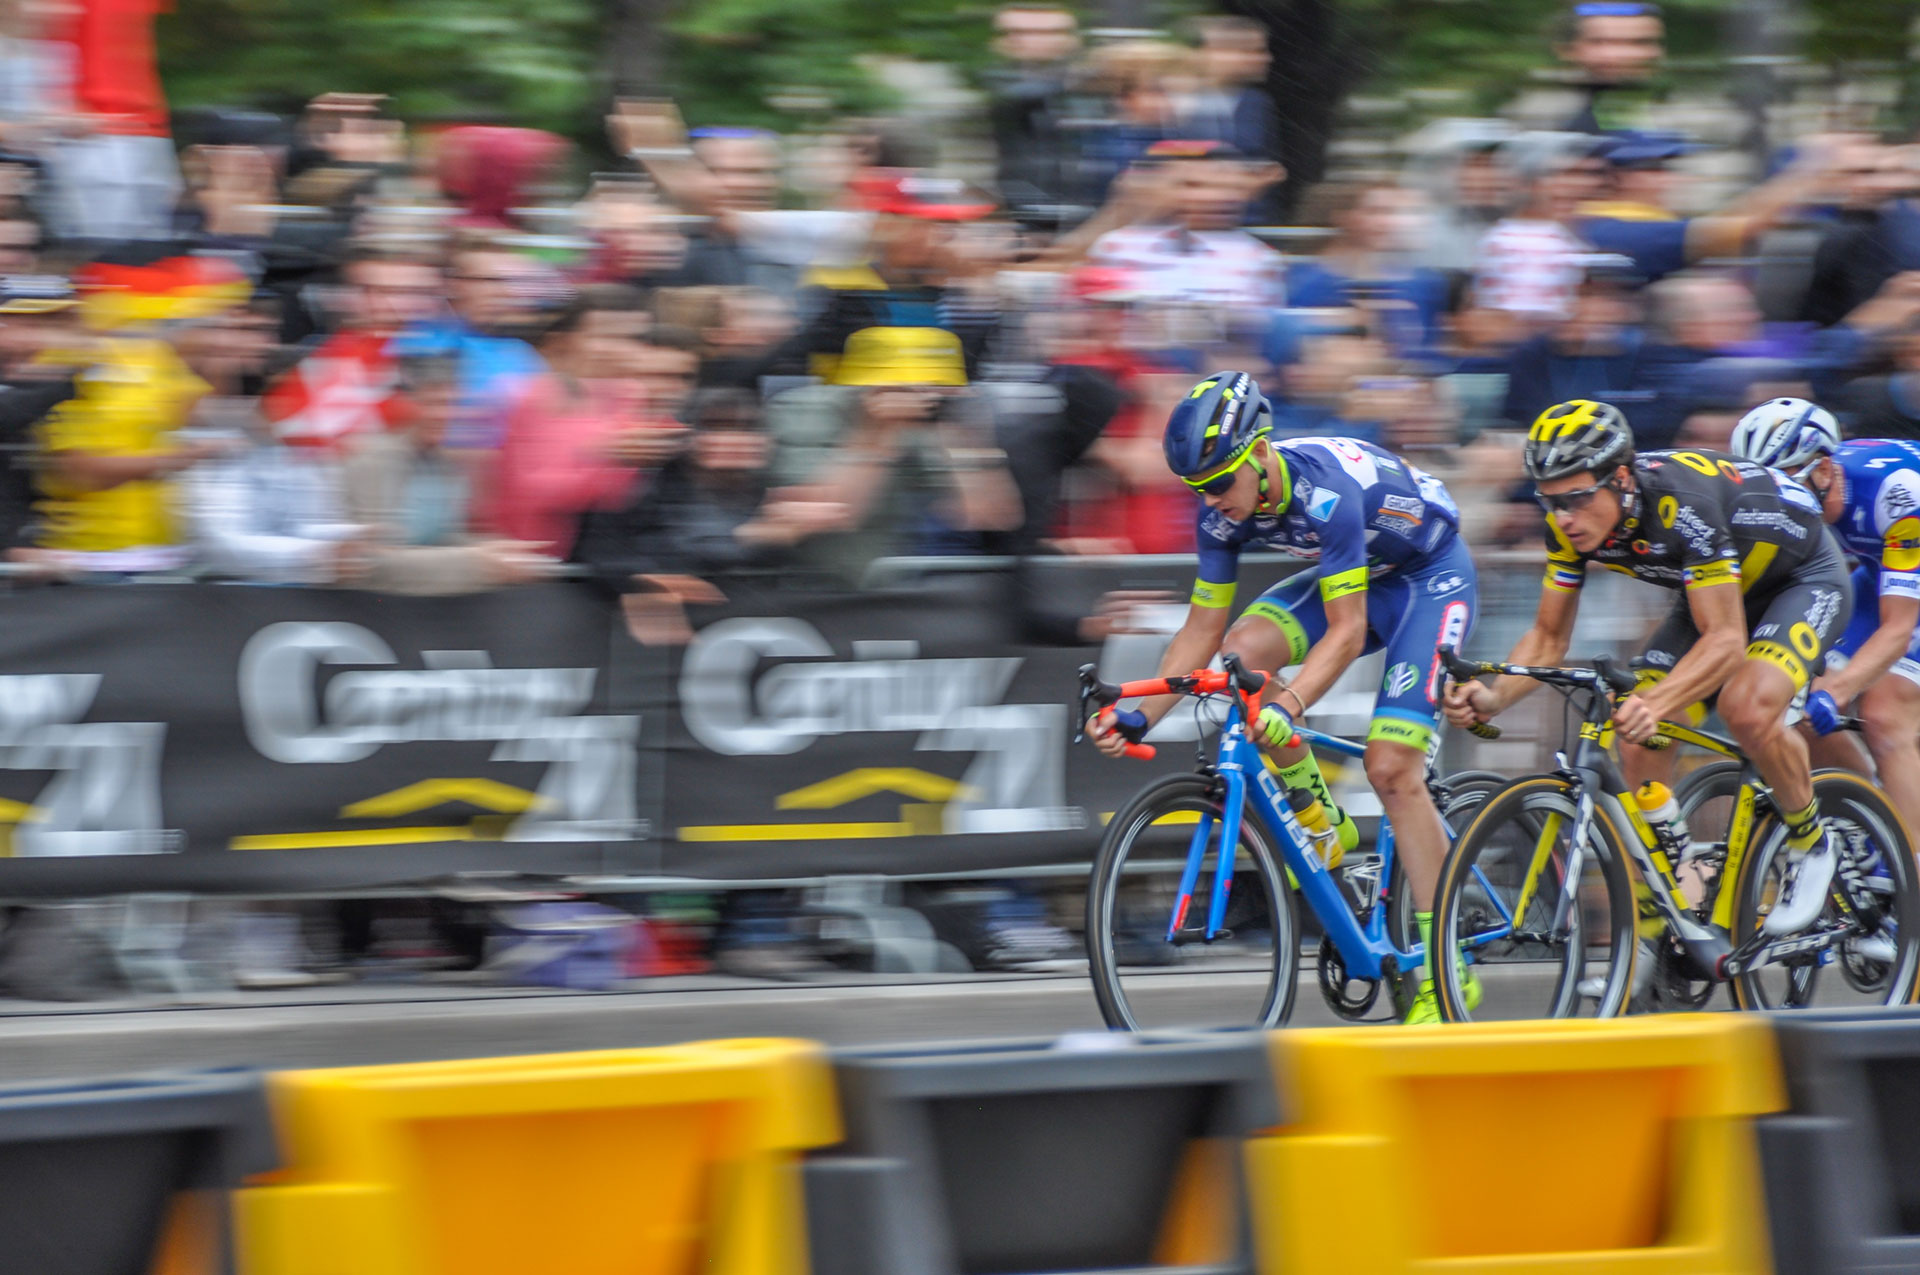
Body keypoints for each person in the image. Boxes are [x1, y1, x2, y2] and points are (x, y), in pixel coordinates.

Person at [1088, 370, 1482, 1024]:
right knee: (1242, 651)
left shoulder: (1327, 495)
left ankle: (1447, 965)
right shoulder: (1222, 510)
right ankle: (1317, 808)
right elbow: (1201, 631)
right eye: (1196, 490)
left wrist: (1291, 704)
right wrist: (1136, 716)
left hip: (1429, 579)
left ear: (1261, 453)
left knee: (1390, 767)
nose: (1211, 502)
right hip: (1365, 574)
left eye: (1219, 484)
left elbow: (1349, 630)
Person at [1444, 399, 1853, 966]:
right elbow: (1546, 639)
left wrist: (1658, 699)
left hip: (1799, 580)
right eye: (1550, 500)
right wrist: (1492, 694)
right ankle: (1674, 892)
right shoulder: (1571, 522)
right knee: (1636, 736)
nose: (1564, 516)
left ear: (1621, 480)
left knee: (1746, 707)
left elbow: (1728, 641)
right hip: (1713, 590)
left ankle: (1812, 843)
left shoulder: (1683, 506)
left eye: (1577, 498)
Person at [1730, 399, 1920, 870]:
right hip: (1879, 571)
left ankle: (1912, 879)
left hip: (1901, 573)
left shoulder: (1896, 494)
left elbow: (1898, 626)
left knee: (1883, 709)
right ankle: (1872, 813)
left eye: (1789, 488)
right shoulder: (1806, 493)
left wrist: (1842, 688)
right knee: (1799, 704)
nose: (1782, 506)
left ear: (1826, 469)